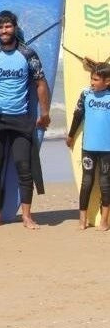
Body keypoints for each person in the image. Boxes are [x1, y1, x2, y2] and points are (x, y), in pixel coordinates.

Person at [0, 10, 50, 229]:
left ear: (14, 27)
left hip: (21, 119)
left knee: (23, 167)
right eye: (0, 27)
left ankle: (26, 216)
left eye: (7, 26)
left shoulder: (28, 54)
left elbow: (41, 83)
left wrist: (45, 113)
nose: (3, 30)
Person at [66, 63, 110, 230]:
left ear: (107, 81)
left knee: (106, 183)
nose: (92, 82)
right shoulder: (86, 94)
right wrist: (71, 135)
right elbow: (78, 116)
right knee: (87, 182)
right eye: (91, 78)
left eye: (96, 79)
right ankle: (82, 218)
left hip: (108, 148)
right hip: (89, 146)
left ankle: (104, 220)